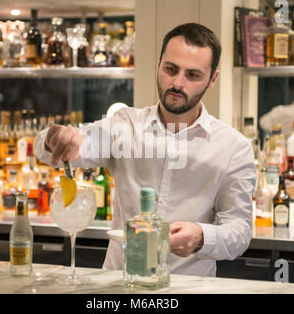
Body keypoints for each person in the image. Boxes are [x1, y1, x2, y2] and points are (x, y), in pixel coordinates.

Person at [35, 23, 256, 277]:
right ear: (159, 63)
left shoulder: (233, 147)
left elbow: (239, 230)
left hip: (188, 287)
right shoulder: (124, 125)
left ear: (212, 79)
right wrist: (54, 138)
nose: (177, 83)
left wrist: (201, 237)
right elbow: (52, 150)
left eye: (193, 75)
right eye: (170, 69)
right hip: (118, 287)